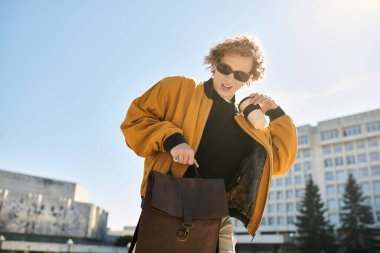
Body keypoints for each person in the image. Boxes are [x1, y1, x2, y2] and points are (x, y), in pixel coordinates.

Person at [121, 34, 297, 253]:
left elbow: (280, 161)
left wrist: (275, 112)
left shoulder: (249, 126)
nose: (230, 79)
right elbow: (134, 121)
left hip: (217, 217)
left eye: (240, 74)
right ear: (214, 64)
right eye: (225, 69)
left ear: (248, 78)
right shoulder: (178, 88)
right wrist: (173, 141)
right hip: (167, 207)